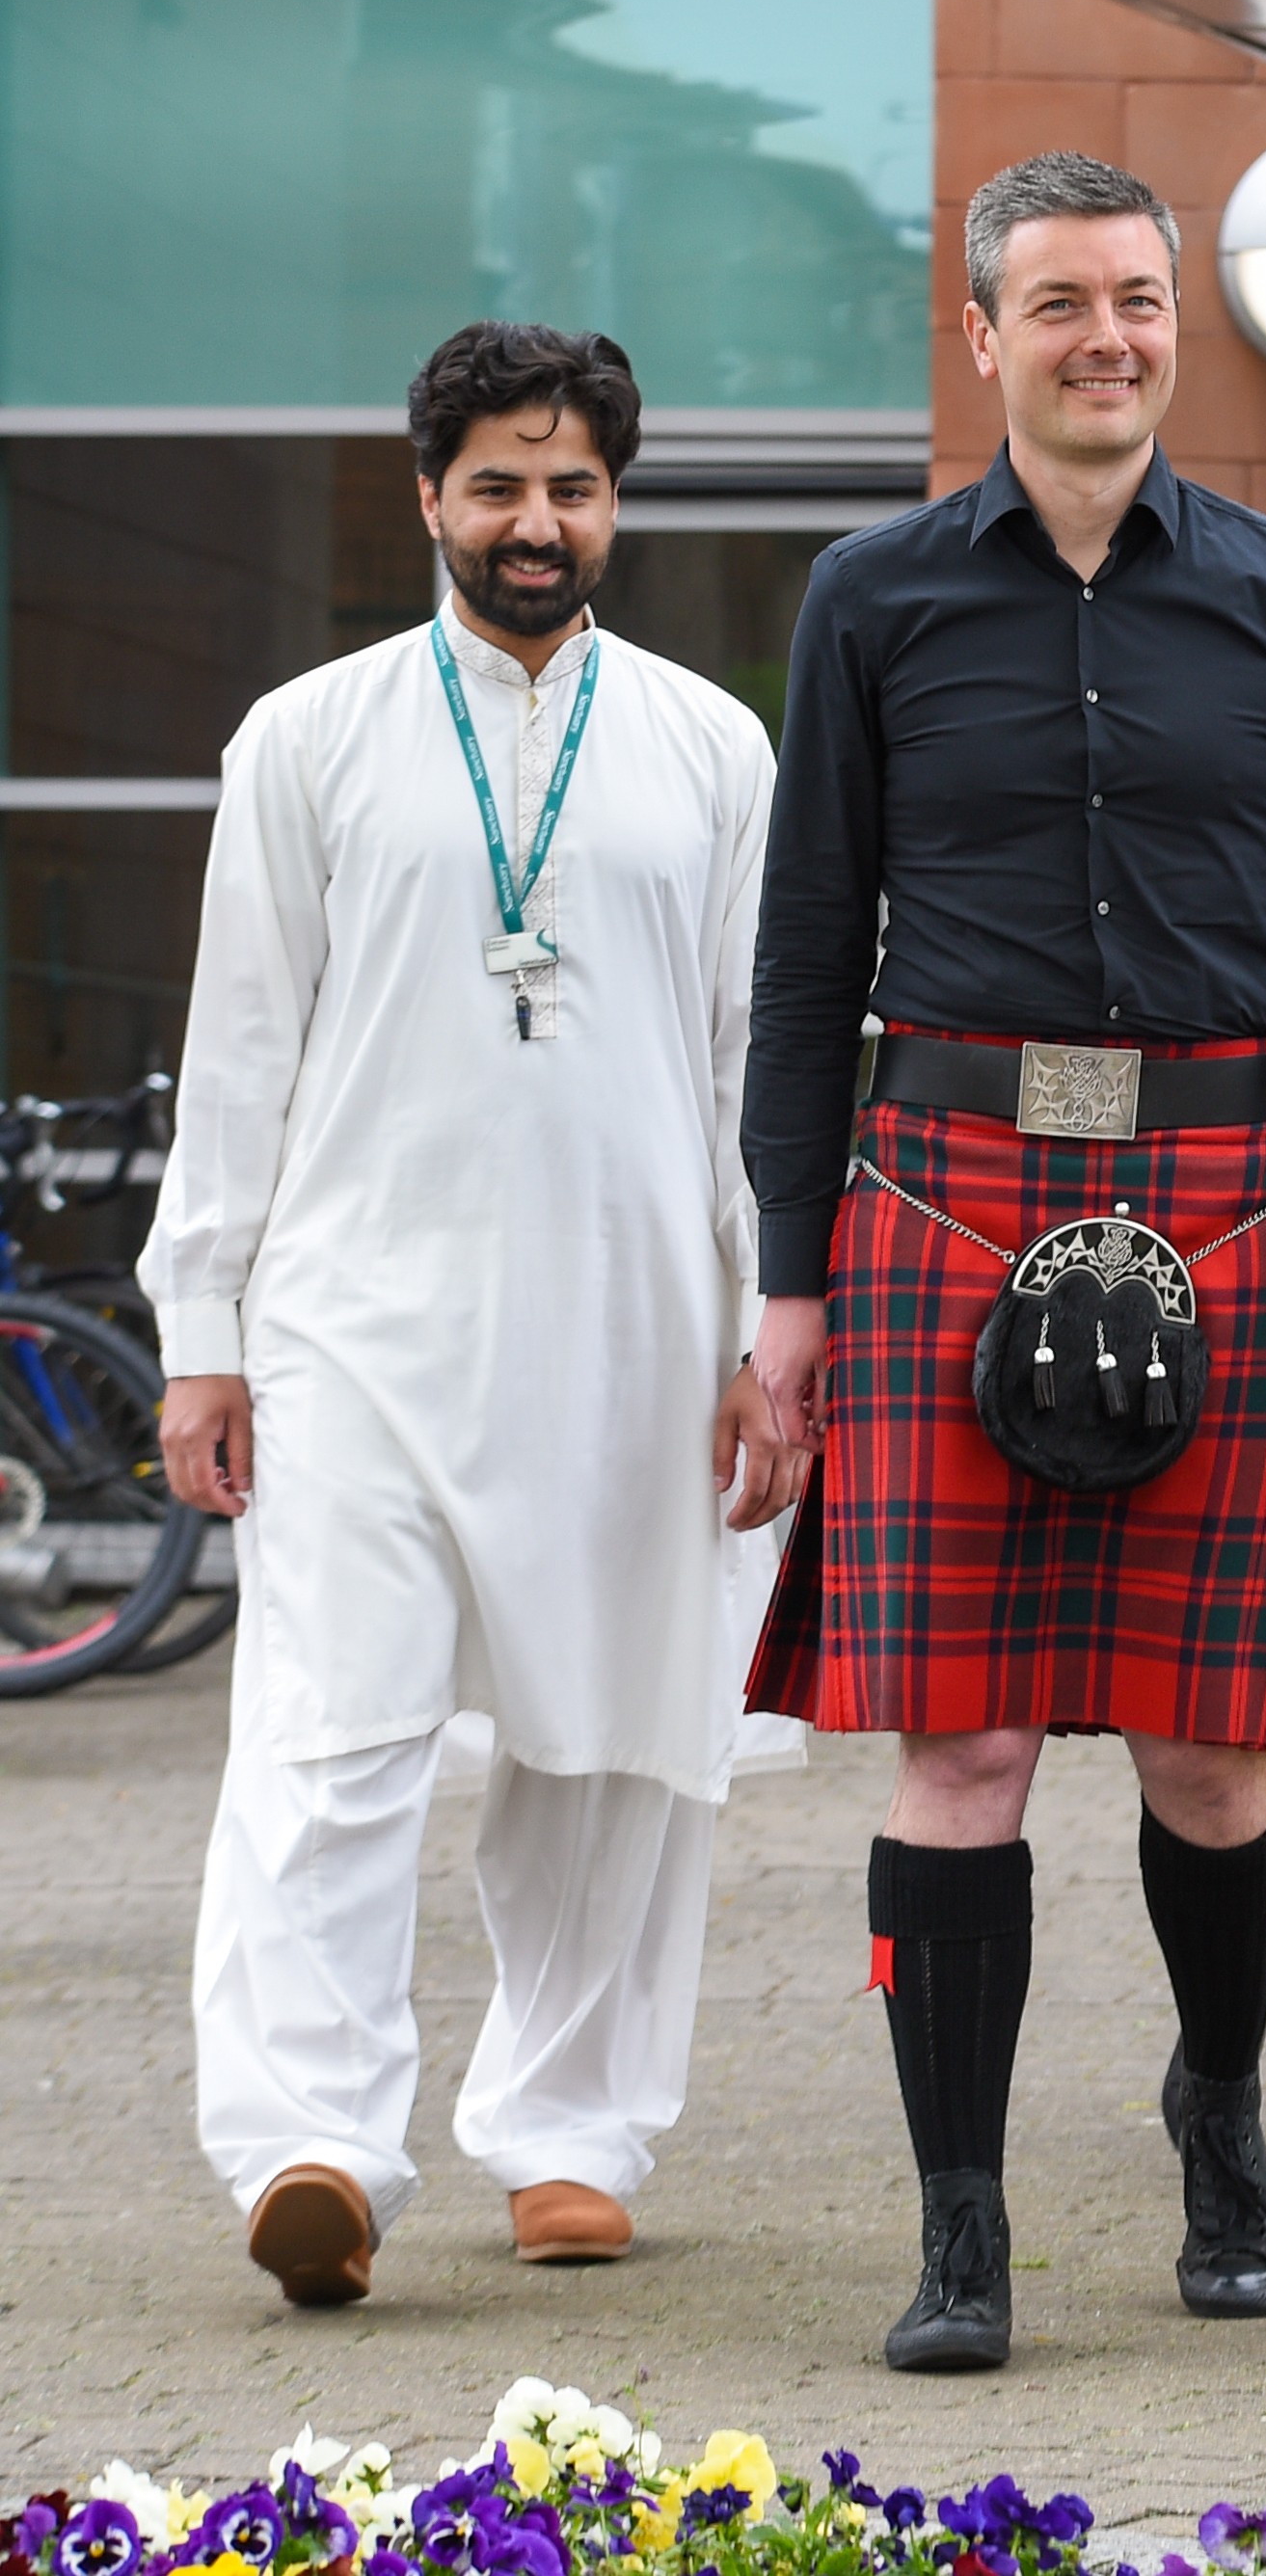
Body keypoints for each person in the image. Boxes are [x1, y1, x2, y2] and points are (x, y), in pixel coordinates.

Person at [741, 152, 1266, 2374]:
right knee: (957, 1749)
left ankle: (1220, 2122)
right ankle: (958, 2222)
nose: (1107, 336)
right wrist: (791, 1274)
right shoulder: (869, 597)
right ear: (983, 335)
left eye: (1138, 299)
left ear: (1177, 324)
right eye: (1057, 301)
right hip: (936, 1186)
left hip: (1227, 1185)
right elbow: (804, 955)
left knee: (1210, 1750)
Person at [148, 322, 800, 2308]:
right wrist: (203, 1327)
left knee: (612, 1745)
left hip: (635, 1325)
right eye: (502, 484)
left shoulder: (710, 744)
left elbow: (754, 1059)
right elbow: (239, 1048)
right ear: (429, 494)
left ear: (617, 506)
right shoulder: (309, 735)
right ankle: (313, 2140)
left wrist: (776, 1321)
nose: (539, 521)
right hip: (354, 1324)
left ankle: (573, 2128)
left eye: (575, 485)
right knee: (330, 1738)